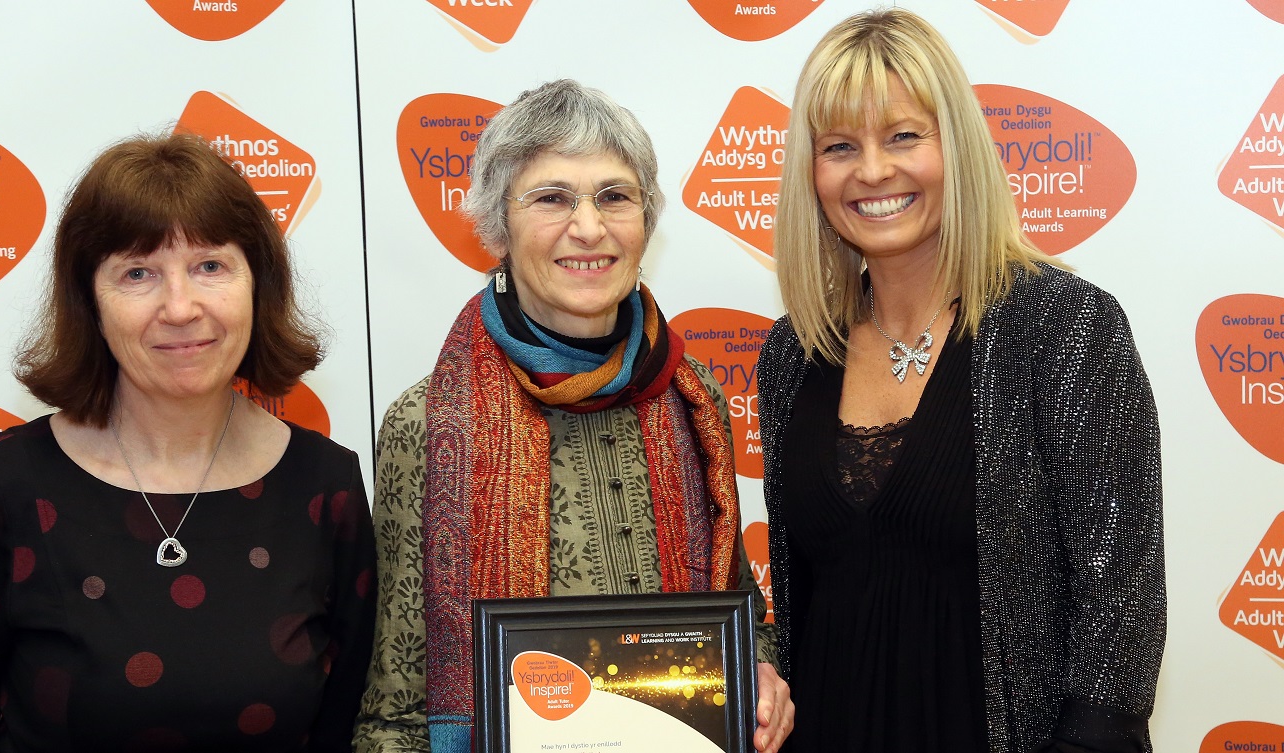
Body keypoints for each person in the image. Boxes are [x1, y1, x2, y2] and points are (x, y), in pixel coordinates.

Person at [758, 9, 1164, 753]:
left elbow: (1122, 605)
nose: (873, 170)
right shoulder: (794, 351)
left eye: (905, 135)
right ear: (810, 173)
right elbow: (801, 597)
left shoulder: (1064, 327)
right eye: (840, 145)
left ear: (958, 146)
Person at [353, 79, 793, 753]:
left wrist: (760, 673)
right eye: (552, 198)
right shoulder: (428, 424)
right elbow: (395, 712)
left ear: (646, 221)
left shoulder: (692, 394)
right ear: (499, 224)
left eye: (614, 196)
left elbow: (742, 616)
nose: (588, 227)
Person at [0, 133, 376, 753]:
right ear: (90, 303)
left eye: (210, 266)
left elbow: (345, 730)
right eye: (137, 273)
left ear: (257, 284)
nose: (180, 307)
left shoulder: (325, 486)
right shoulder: (0, 490)